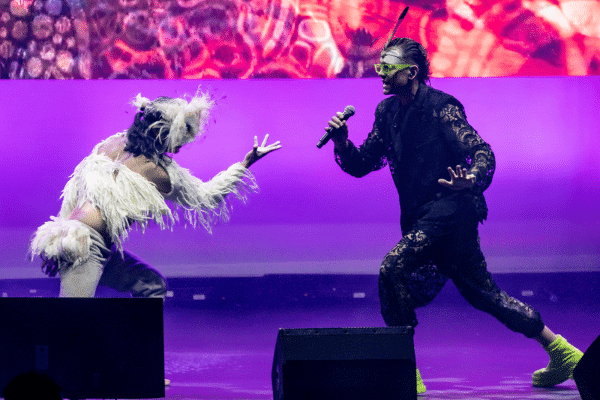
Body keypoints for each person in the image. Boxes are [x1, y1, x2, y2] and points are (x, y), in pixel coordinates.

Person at [325, 37, 582, 394]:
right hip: (423, 219)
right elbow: (363, 163)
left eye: (389, 68)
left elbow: (482, 152)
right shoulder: (387, 113)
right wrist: (341, 140)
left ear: (411, 73)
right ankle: (561, 351)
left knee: (392, 268)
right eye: (380, 67)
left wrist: (471, 179)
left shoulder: (441, 108)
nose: (381, 73)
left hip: (449, 214)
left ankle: (405, 369)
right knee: (485, 296)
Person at [30, 89, 281, 299]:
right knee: (71, 323)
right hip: (85, 246)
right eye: (179, 140)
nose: (180, 149)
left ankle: (136, 350)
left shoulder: (111, 144)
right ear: (163, 133)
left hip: (86, 239)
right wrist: (245, 164)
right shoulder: (157, 170)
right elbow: (205, 196)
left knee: (151, 285)